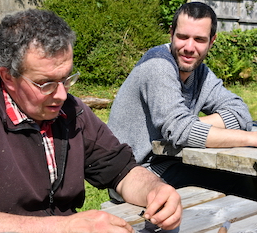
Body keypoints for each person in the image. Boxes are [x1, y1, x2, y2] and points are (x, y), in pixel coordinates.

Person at [0, 9, 182, 233]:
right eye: (45, 83)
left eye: (67, 78)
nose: (61, 94)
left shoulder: (72, 111)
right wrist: (65, 227)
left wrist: (155, 190)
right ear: (8, 77)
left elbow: (121, 171)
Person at [107, 2, 257, 203]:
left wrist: (192, 126)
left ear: (212, 41)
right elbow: (180, 131)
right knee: (240, 187)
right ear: (171, 34)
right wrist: (250, 139)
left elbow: (240, 112)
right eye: (183, 37)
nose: (189, 47)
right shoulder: (158, 65)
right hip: (135, 173)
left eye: (199, 40)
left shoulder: (199, 73)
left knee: (245, 181)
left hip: (172, 161)